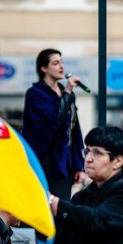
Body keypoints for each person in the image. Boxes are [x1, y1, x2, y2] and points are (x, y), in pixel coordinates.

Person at [22, 49, 86, 200]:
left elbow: (74, 129)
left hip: (65, 161)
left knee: (62, 207)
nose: (61, 67)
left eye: (62, 62)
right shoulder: (35, 93)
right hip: (45, 161)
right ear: (44, 68)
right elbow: (50, 122)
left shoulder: (66, 92)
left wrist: (79, 165)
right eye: (56, 63)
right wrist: (68, 92)